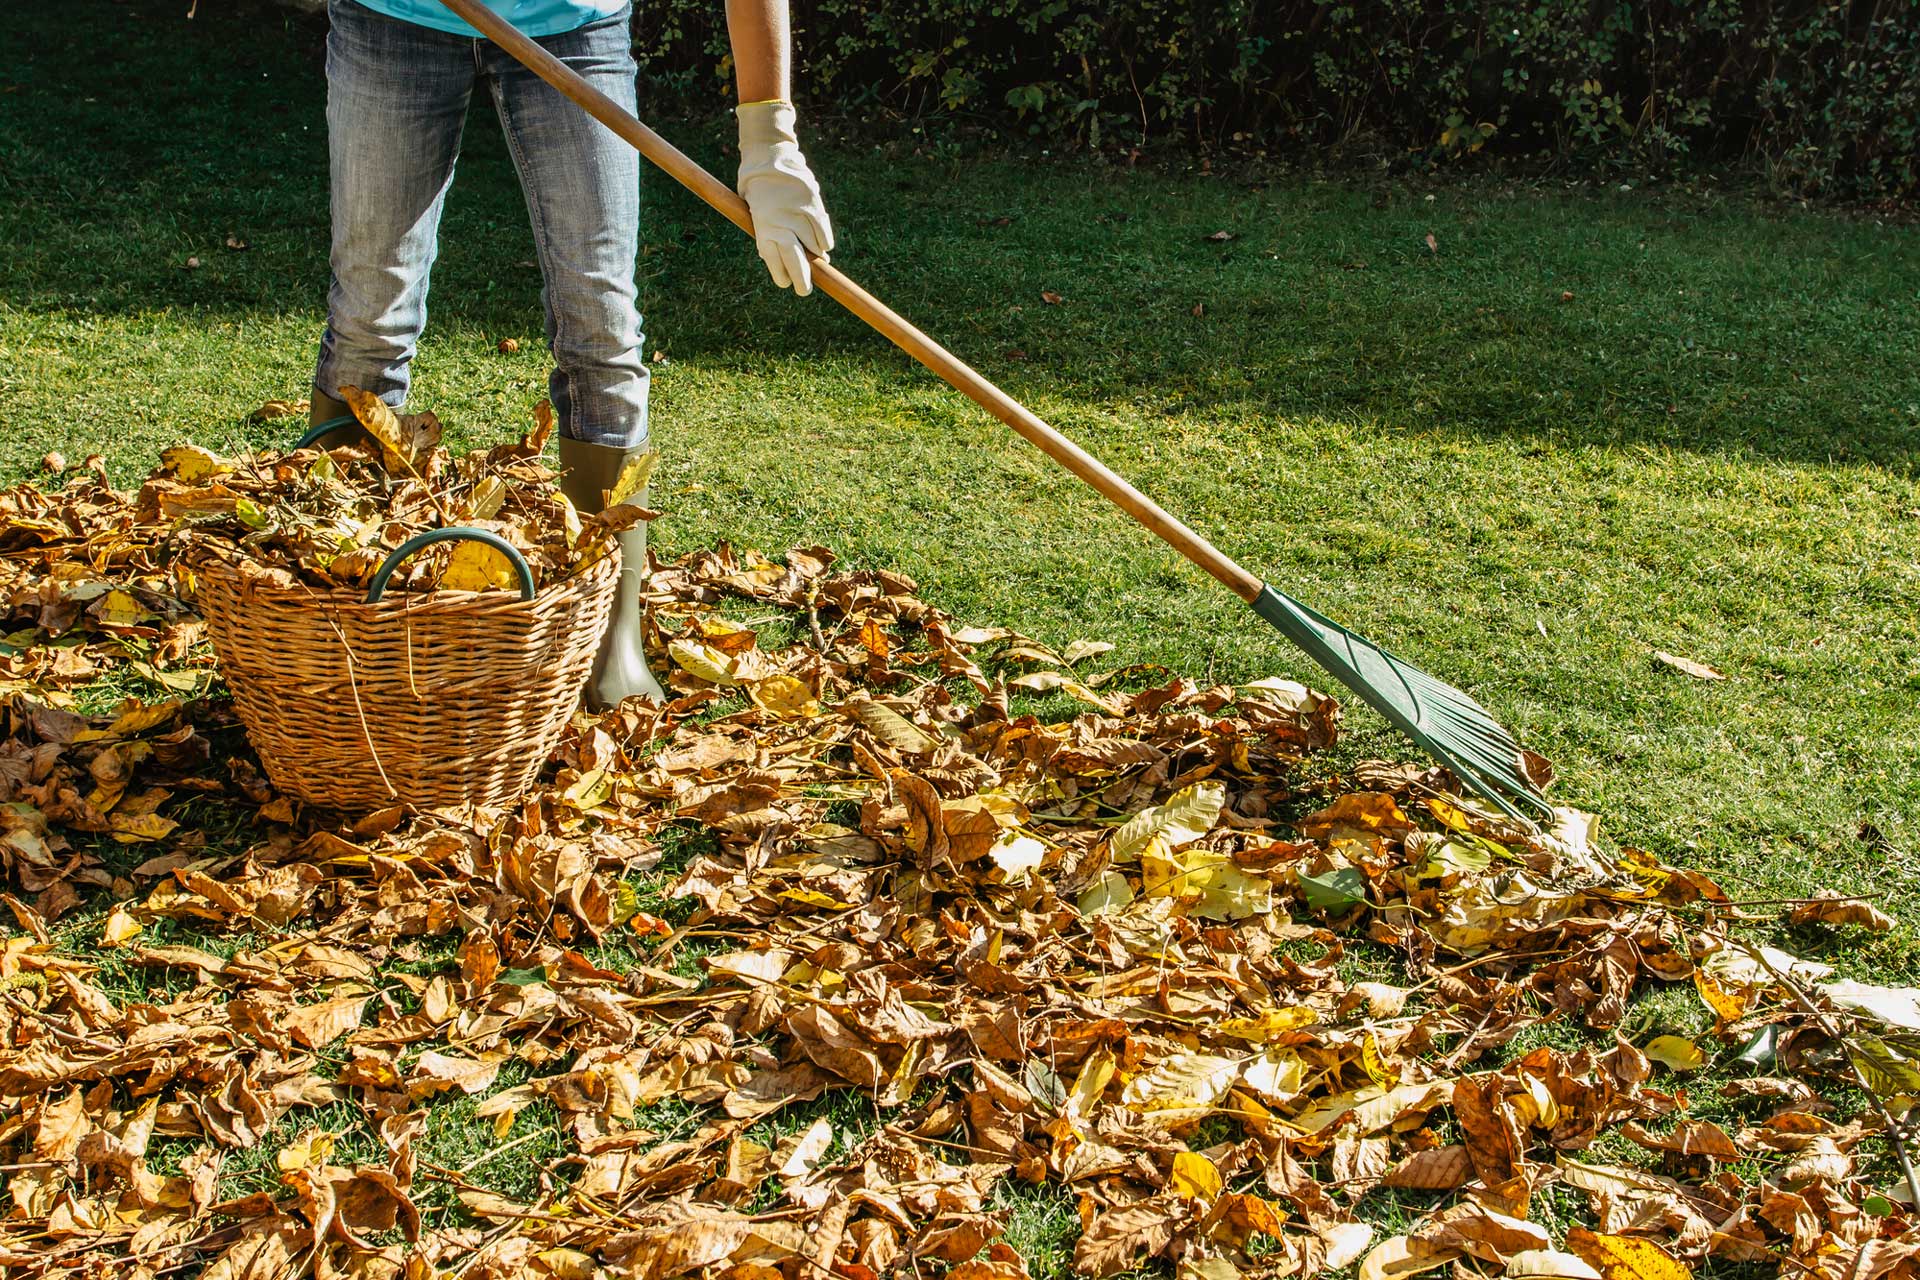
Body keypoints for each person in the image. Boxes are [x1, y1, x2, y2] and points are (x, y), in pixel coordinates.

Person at [306, 0, 833, 708]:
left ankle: (608, 643)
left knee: (603, 332)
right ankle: (336, 615)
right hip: (396, 18)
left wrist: (769, 137)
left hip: (573, 23)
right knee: (371, 315)